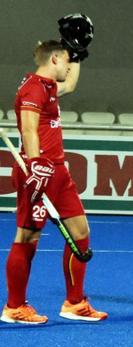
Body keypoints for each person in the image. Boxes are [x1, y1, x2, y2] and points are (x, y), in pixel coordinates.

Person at [1, 38, 106, 324]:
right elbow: (30, 129)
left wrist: (80, 51)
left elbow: (70, 85)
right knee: (27, 236)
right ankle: (14, 307)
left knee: (80, 231)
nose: (70, 65)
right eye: (68, 59)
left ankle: (74, 303)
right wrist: (35, 167)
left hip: (58, 172)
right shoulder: (33, 87)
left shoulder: (47, 86)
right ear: (55, 59)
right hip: (37, 170)